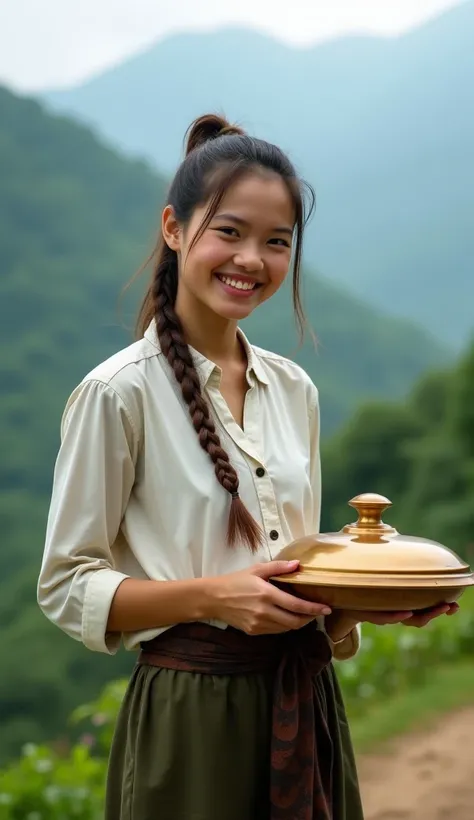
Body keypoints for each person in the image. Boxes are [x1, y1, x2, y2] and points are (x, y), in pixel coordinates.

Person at [37, 114, 457, 820]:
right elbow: (65, 583)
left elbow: (291, 575)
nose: (251, 260)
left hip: (303, 699)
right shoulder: (119, 393)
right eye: (229, 232)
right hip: (190, 712)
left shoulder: (295, 390)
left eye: (277, 242)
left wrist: (362, 604)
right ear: (174, 229)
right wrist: (212, 598)